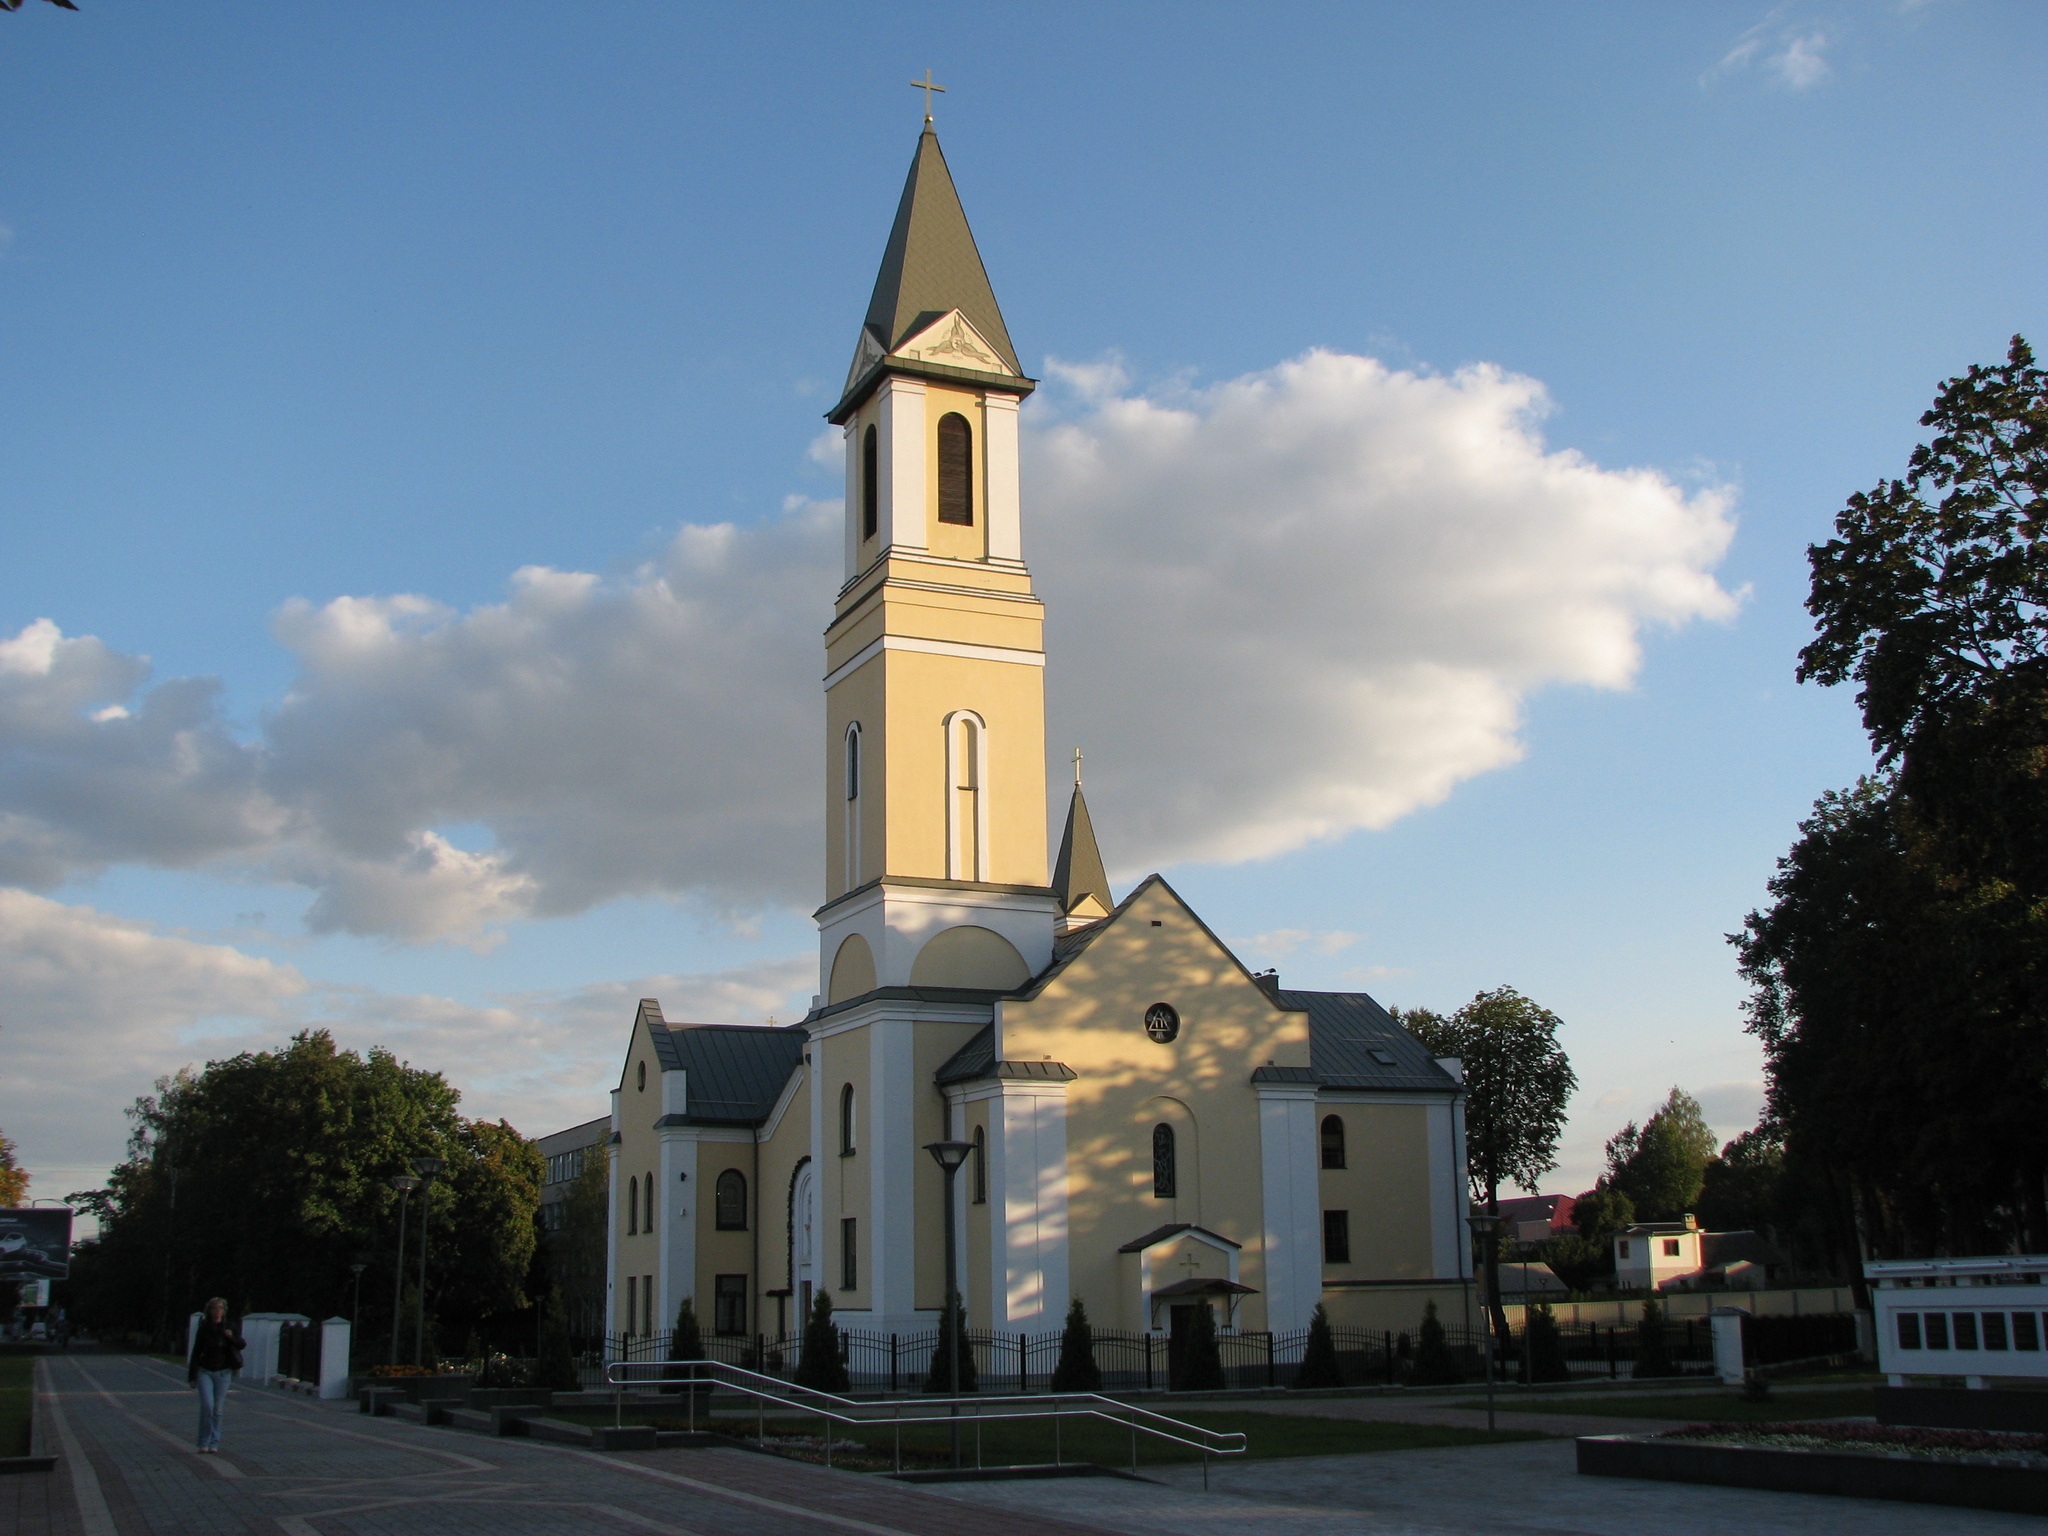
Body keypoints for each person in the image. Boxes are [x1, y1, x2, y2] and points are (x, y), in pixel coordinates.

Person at [187, 1298, 244, 1454]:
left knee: (217, 1409)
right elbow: (196, 1351)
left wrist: (230, 1336)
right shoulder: (204, 1328)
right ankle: (203, 1441)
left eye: (220, 1308)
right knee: (207, 1406)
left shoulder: (230, 1326)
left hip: (224, 1372)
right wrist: (192, 1375)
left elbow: (241, 1344)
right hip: (205, 1371)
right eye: (214, 1308)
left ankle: (214, 1442)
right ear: (209, 1310)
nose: (217, 1311)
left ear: (224, 1311)